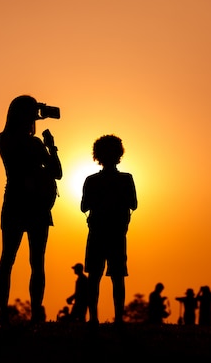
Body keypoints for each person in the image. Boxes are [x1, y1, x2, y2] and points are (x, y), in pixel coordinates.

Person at [0, 95, 62, 326]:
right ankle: (30, 315)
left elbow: (56, 173)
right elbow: (57, 172)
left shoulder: (5, 138)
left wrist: (48, 145)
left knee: (12, 259)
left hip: (18, 202)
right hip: (32, 205)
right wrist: (49, 146)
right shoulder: (26, 142)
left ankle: (9, 315)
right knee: (30, 262)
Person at [81, 134, 138, 326]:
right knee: (117, 277)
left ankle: (94, 318)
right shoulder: (126, 179)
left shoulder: (91, 180)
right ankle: (119, 319)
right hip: (117, 233)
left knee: (94, 277)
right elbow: (134, 204)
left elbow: (83, 206)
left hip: (97, 232)